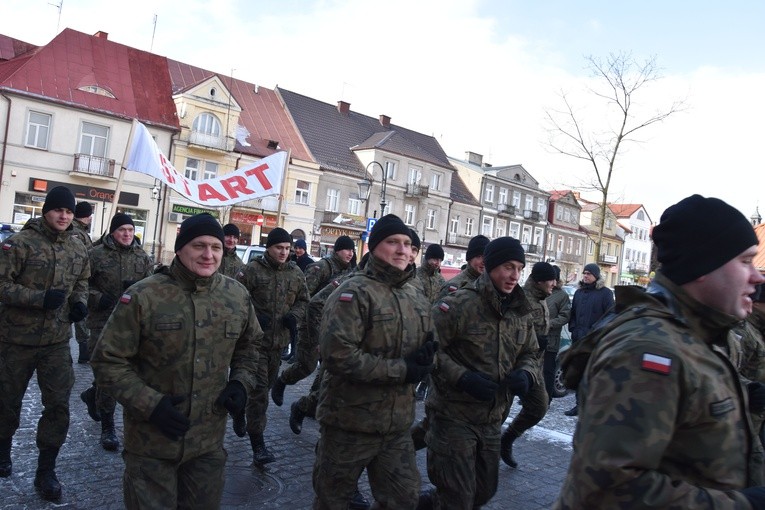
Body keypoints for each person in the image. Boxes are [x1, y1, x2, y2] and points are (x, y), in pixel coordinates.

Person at [554, 194, 765, 509]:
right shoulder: (647, 349)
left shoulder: (692, 334)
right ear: (703, 265)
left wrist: (746, 393)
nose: (757, 276)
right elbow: (607, 490)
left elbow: (692, 394)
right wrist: (742, 504)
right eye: (745, 261)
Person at [90, 213, 263, 509]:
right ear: (180, 247)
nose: (208, 255)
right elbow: (108, 360)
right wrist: (150, 404)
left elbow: (250, 346)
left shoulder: (237, 295)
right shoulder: (145, 295)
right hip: (151, 444)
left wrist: (240, 382)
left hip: (207, 445)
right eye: (199, 246)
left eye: (216, 247)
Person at [313, 214, 435, 509]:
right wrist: (402, 370)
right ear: (374, 246)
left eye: (407, 244)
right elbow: (337, 356)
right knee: (333, 501)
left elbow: (429, 341)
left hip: (396, 427)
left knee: (404, 499)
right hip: (349, 423)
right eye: (392, 242)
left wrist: (430, 354)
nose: (402, 250)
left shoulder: (414, 294)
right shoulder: (353, 292)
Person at [423, 237, 539, 509]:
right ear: (490, 266)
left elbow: (531, 352)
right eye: (508, 267)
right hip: (453, 417)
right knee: (459, 498)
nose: (514, 275)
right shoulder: (458, 304)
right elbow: (428, 348)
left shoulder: (521, 311)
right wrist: (461, 377)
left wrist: (526, 373)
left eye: (520, 268)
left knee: (484, 492)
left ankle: (428, 503)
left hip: (491, 418)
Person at [0, 186, 90, 501]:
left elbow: (82, 280)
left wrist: (79, 302)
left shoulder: (78, 248)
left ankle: (46, 469)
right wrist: (38, 299)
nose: (64, 216)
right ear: (46, 211)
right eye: (58, 210)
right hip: (16, 340)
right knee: (6, 401)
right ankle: (2, 448)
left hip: (56, 341)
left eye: (68, 211)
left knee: (58, 406)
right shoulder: (18, 244)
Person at [80, 213, 152, 452]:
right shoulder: (96, 255)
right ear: (113, 231)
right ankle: (108, 427)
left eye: (131, 230)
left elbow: (152, 288)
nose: (127, 234)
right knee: (107, 375)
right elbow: (81, 285)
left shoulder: (142, 257)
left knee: (126, 373)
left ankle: (93, 395)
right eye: (122, 230)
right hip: (102, 322)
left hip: (131, 325)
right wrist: (98, 298)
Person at [236, 227, 308, 465]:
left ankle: (239, 410)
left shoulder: (296, 273)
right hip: (254, 344)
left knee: (262, 389)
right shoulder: (252, 271)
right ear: (269, 248)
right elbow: (237, 301)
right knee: (258, 394)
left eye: (287, 248)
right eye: (279, 248)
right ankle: (258, 445)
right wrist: (254, 315)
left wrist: (294, 317)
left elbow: (304, 301)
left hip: (278, 345)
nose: (284, 252)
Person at [500, 261, 556, 468]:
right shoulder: (522, 299)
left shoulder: (542, 299)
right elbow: (509, 331)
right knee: (498, 413)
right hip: (513, 366)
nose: (554, 283)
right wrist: (532, 339)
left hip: (533, 366)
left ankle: (507, 438)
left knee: (540, 406)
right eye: (551, 279)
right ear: (540, 281)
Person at [563, 262, 614, 416]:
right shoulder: (579, 293)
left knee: (594, 374)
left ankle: (593, 406)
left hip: (595, 340)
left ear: (596, 276)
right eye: (584, 273)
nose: (585, 276)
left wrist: (596, 331)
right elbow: (573, 313)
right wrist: (573, 328)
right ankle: (579, 405)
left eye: (589, 274)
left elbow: (611, 314)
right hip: (578, 338)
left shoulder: (605, 293)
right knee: (579, 372)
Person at [737, 282, 765, 446]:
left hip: (757, 420)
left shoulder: (759, 331)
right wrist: (751, 390)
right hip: (744, 421)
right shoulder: (744, 332)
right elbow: (727, 371)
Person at [543, 265, 571, 401]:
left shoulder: (562, 295)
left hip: (551, 339)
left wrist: (549, 323)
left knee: (548, 371)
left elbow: (565, 316)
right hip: (535, 337)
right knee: (534, 368)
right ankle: (530, 396)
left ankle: (547, 398)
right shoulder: (540, 291)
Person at [72, 201, 94, 363]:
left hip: (75, 278)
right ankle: (84, 350)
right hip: (77, 279)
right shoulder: (78, 232)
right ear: (87, 216)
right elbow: (85, 255)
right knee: (80, 313)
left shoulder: (78, 230)